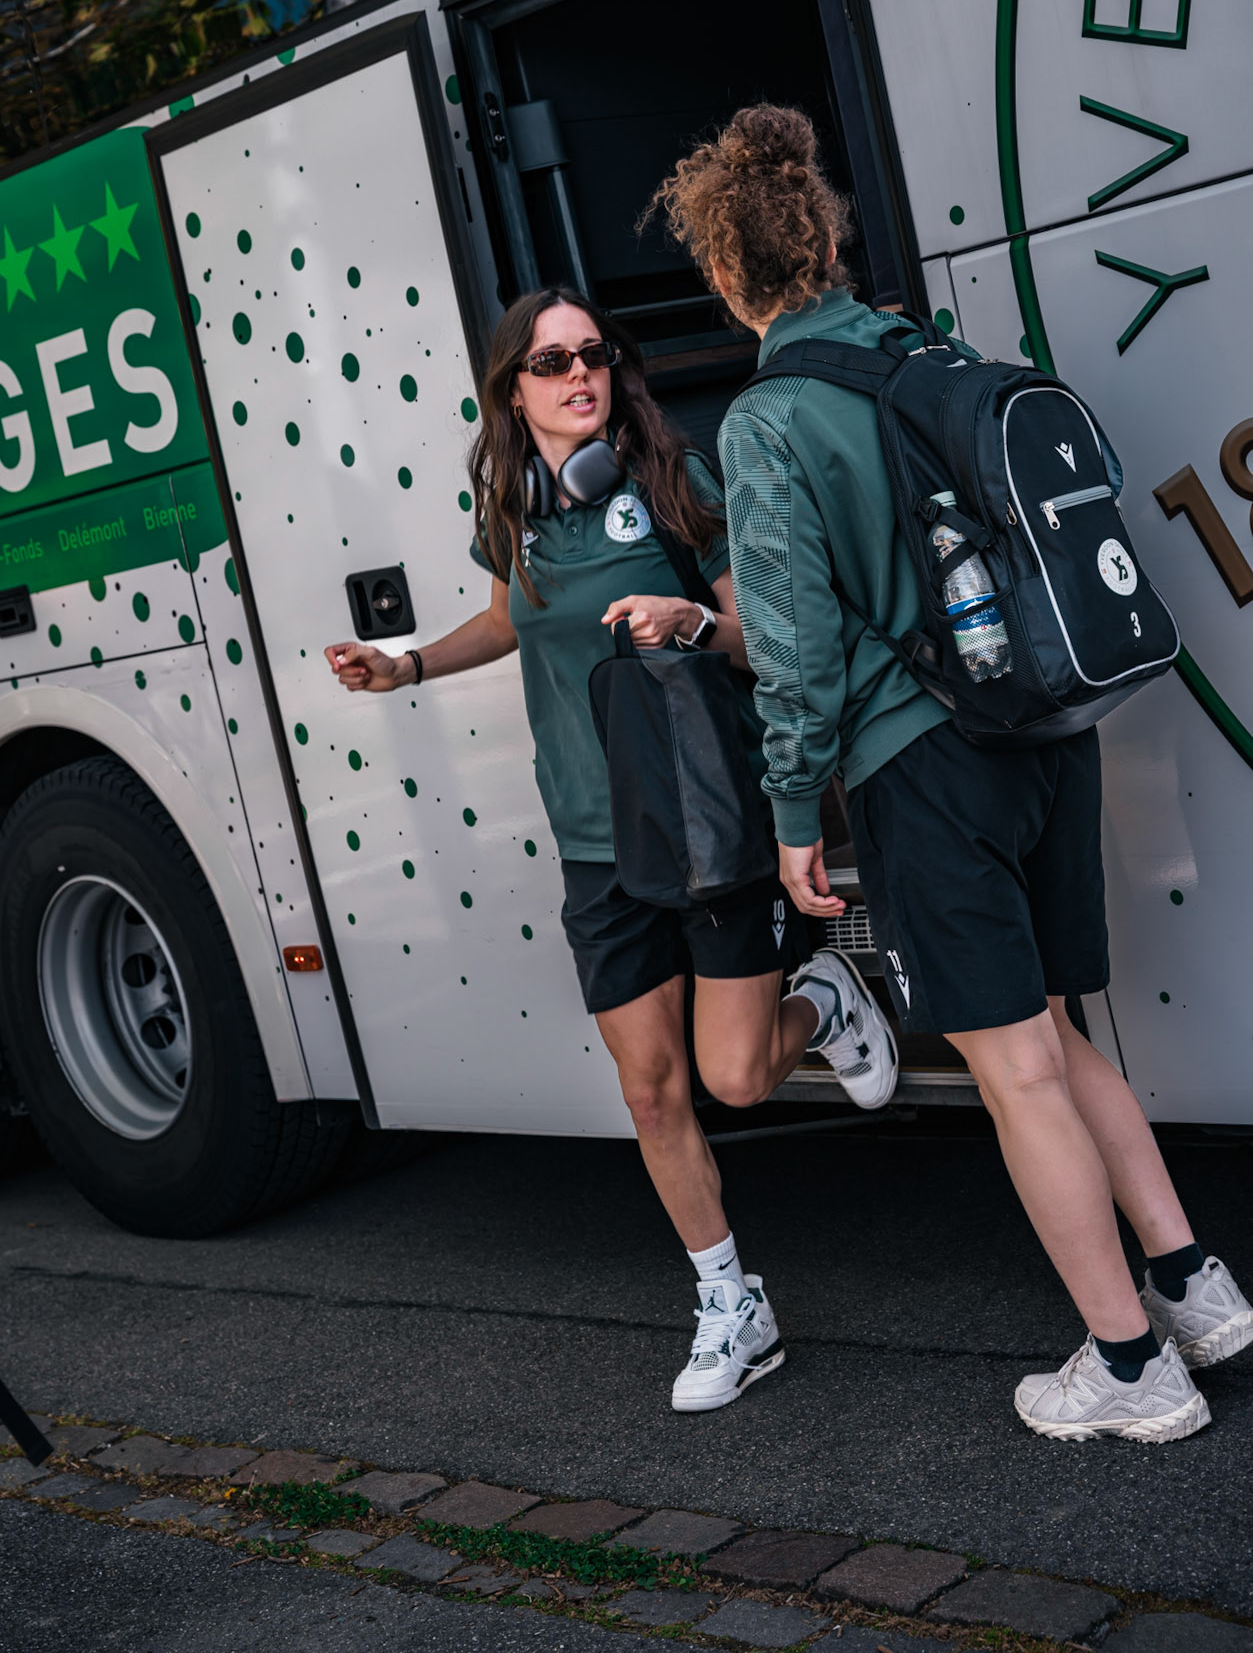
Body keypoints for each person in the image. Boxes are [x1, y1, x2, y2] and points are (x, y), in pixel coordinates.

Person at [648, 103, 1253, 1442]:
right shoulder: (927, 351)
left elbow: (796, 656)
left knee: (1010, 1067)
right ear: (824, 239)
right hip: (1044, 732)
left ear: (728, 275)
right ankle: (1191, 1288)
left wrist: (797, 815)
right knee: (1058, 1030)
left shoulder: (769, 420)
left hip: (919, 765)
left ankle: (1130, 1369)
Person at [325, 286, 898, 1412]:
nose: (579, 373)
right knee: (651, 1090)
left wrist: (685, 619)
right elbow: (511, 615)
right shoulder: (511, 510)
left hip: (705, 823)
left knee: (734, 1075)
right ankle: (734, 1303)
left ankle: (822, 1002)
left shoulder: (681, 483)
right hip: (596, 846)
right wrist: (408, 666)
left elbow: (761, 635)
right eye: (551, 361)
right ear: (513, 390)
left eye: (595, 351)